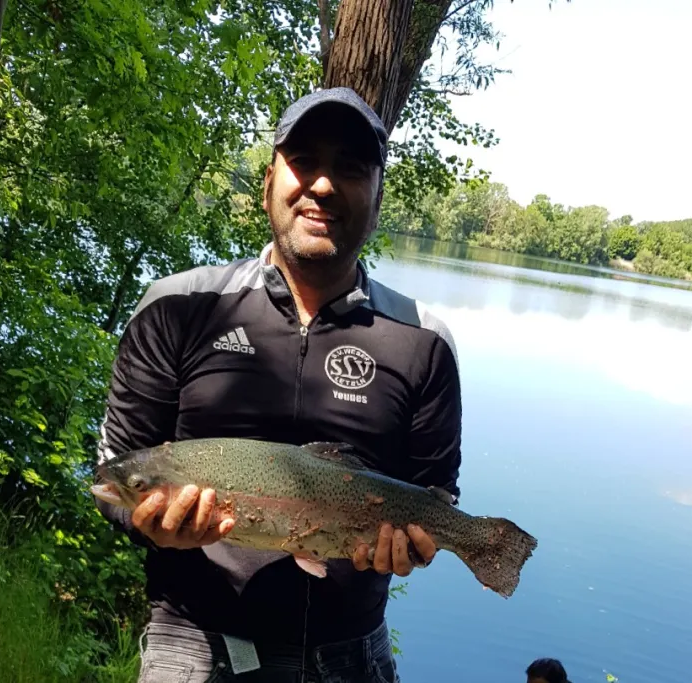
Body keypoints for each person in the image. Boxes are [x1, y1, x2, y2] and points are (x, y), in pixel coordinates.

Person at [93, 86, 463, 683]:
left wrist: (417, 547)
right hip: (194, 648)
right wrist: (148, 524)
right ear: (269, 182)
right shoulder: (177, 308)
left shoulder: (424, 342)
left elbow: (434, 495)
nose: (323, 184)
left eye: (350, 167)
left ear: (378, 197)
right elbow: (114, 475)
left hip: (352, 659)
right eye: (304, 161)